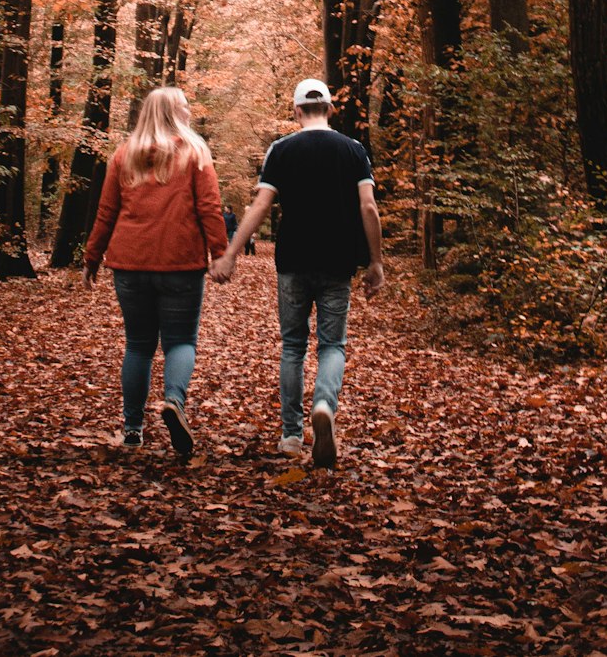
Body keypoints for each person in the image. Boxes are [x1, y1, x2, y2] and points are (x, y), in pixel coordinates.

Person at [210, 77, 383, 469]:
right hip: (338, 262)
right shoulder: (353, 150)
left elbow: (260, 206)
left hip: (293, 261)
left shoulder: (281, 149)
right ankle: (324, 404)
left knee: (292, 345)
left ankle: (291, 435)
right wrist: (376, 262)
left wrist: (230, 254)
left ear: (297, 111)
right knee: (332, 345)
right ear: (331, 109)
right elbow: (369, 208)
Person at [83, 86, 228, 459]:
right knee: (180, 341)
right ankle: (173, 402)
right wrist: (221, 254)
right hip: (180, 264)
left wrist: (91, 259)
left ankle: (132, 428)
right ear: (173, 113)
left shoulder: (124, 156)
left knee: (138, 345)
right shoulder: (195, 153)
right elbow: (210, 208)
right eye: (185, 107)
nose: (190, 112)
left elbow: (106, 212)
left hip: (130, 265)